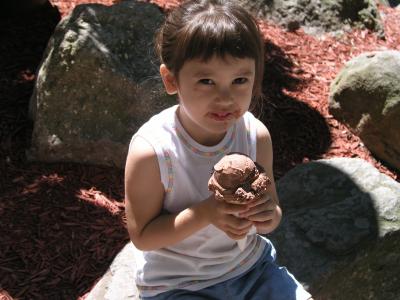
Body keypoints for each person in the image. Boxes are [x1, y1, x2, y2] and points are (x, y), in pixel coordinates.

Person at [124, 0, 313, 299]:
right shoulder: (153, 152)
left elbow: (272, 213)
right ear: (171, 79)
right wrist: (206, 213)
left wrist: (265, 215)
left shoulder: (254, 136)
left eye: (239, 80)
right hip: (177, 284)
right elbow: (143, 236)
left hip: (250, 270)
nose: (225, 98)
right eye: (206, 81)